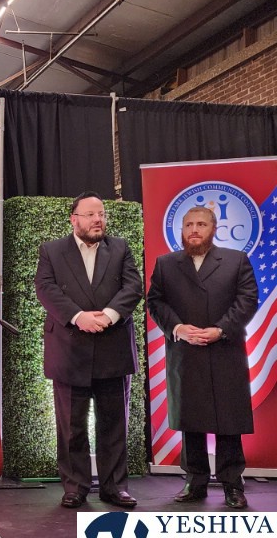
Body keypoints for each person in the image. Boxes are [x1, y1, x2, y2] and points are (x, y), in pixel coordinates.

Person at [34, 191, 143, 509]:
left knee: (114, 425)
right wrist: (78, 317)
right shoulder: (52, 251)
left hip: (113, 348)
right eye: (91, 214)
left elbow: (133, 287)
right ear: (74, 219)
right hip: (69, 349)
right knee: (72, 426)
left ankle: (114, 487)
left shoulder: (120, 248)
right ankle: (75, 487)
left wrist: (108, 315)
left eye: (102, 214)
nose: (98, 219)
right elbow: (45, 288)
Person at [147, 205, 258, 509]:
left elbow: (247, 299)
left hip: (225, 350)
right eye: (188, 225)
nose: (194, 230)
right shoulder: (166, 264)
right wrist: (178, 328)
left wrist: (220, 330)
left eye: (201, 224)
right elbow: (155, 302)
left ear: (213, 229)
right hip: (186, 351)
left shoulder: (235, 260)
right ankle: (195, 482)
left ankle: (232, 485)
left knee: (228, 420)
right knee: (191, 419)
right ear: (181, 230)